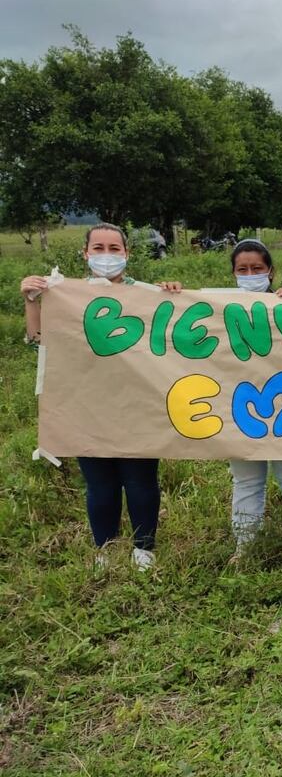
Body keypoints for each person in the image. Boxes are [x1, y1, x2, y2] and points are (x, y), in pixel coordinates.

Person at [20, 222, 182, 571]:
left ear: (127, 253)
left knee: (140, 478)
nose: (107, 256)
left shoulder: (146, 293)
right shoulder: (65, 295)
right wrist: (31, 299)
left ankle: (144, 548)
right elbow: (37, 336)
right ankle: (105, 548)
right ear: (85, 253)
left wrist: (172, 293)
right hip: (86, 402)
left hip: (139, 401)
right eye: (99, 249)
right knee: (99, 481)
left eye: (114, 249)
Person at [222, 239, 282, 558]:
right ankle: (245, 545)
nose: (250, 274)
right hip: (241, 408)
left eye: (257, 269)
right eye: (242, 269)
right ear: (233, 273)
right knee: (246, 479)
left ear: (270, 271)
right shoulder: (219, 309)